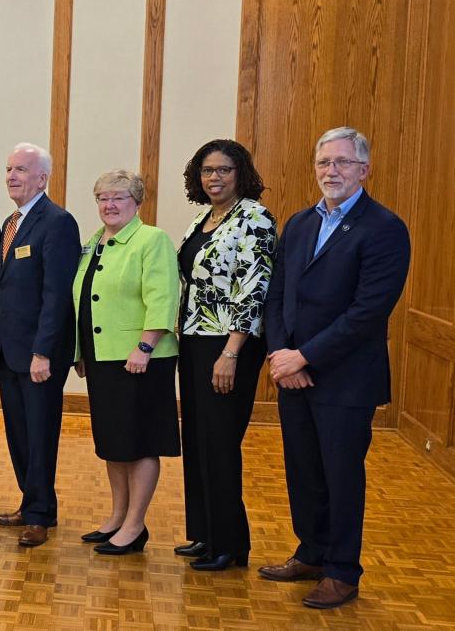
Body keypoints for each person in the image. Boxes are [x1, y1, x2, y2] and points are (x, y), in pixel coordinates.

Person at [259, 127, 410, 609]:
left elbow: (368, 312)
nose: (332, 171)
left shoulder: (385, 228)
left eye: (343, 163)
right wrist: (283, 356)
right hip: (294, 373)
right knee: (303, 471)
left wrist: (306, 356)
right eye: (324, 162)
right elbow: (278, 294)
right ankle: (312, 552)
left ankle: (342, 570)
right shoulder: (300, 223)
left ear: (364, 170)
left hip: (346, 380)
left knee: (341, 475)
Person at [175, 139, 276, 570]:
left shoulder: (255, 218)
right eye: (207, 171)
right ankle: (206, 534)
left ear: (241, 174)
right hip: (195, 341)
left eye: (223, 170)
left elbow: (255, 290)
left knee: (219, 443)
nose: (214, 178)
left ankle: (230, 545)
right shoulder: (203, 218)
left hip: (229, 346)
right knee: (198, 440)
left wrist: (231, 352)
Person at [72, 169, 180, 555]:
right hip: (103, 358)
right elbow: (84, 299)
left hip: (140, 360)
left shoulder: (152, 240)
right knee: (113, 442)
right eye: (102, 197)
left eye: (118, 197)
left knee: (140, 441)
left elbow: (164, 296)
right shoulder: (95, 242)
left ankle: (135, 525)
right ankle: (117, 516)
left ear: (137, 202)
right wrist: (81, 352)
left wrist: (146, 346)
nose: (109, 205)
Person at [0, 143, 81, 545]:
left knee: (41, 432)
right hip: (8, 351)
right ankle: (32, 502)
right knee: (18, 432)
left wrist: (43, 351)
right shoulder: (11, 221)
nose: (11, 176)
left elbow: (56, 295)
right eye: (9, 168)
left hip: (40, 354)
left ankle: (41, 514)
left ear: (42, 178)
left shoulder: (57, 222)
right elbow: (4, 289)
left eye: (21, 170)